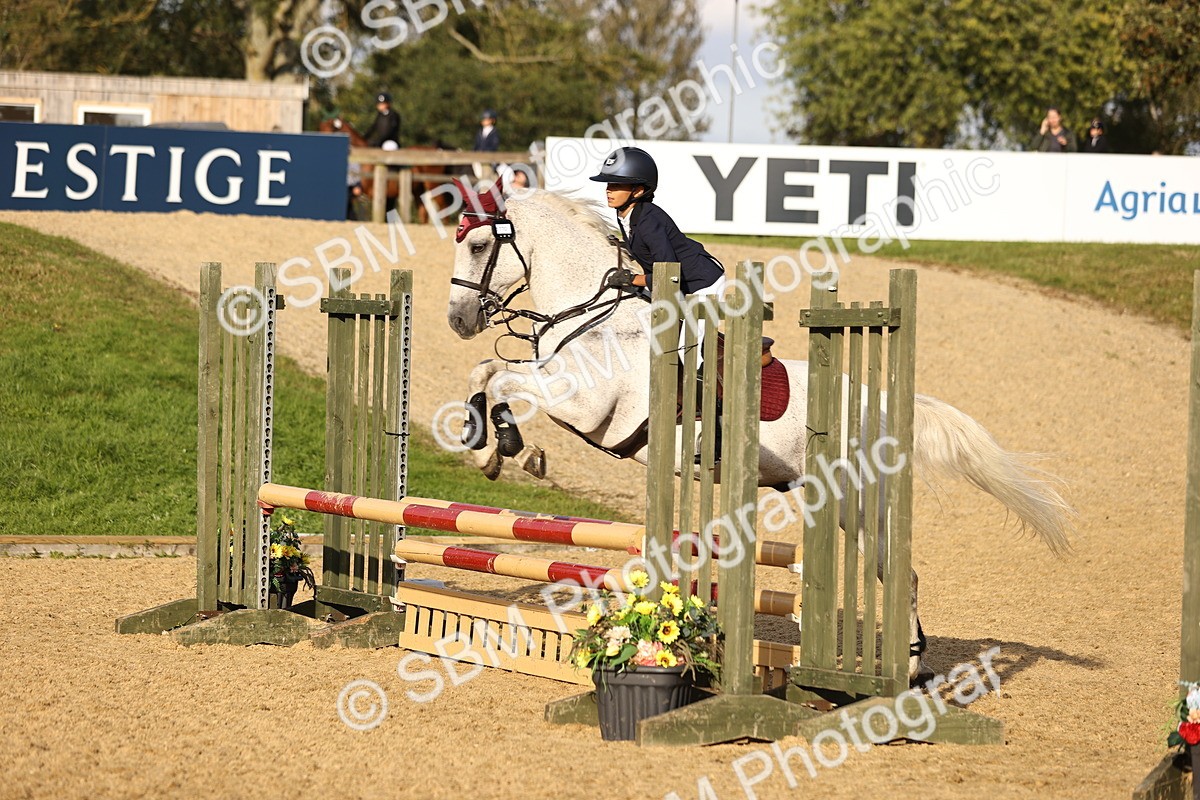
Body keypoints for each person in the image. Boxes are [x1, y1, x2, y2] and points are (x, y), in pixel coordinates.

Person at [590, 146, 727, 462]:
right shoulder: (626, 213)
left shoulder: (650, 219)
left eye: (616, 185)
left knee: (686, 349)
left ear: (638, 189)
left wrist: (633, 280)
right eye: (607, 185)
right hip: (677, 283)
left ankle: (716, 437)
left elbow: (668, 272)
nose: (609, 191)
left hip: (701, 284)